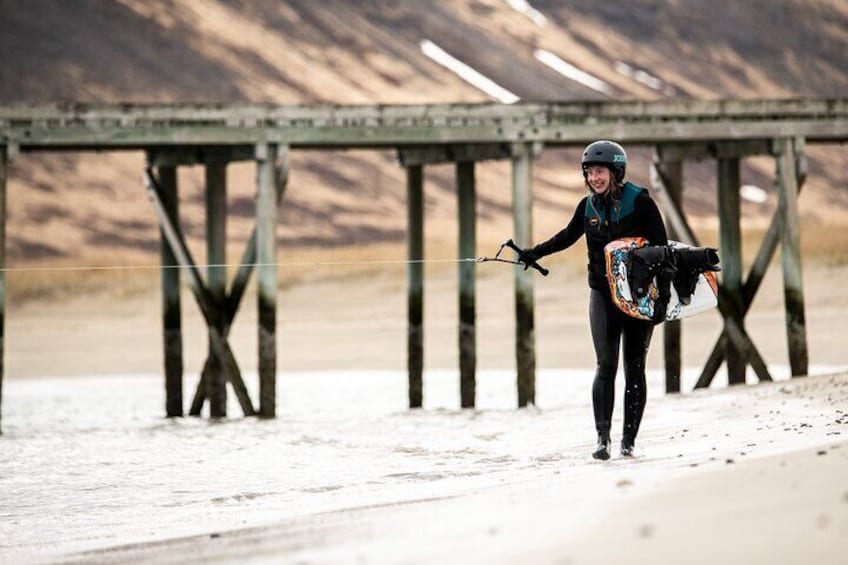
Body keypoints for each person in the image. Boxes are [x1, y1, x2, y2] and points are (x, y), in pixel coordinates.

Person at [518, 140, 668, 460]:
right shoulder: (587, 207)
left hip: (637, 296)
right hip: (603, 295)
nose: (594, 177)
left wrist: (662, 299)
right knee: (605, 365)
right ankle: (603, 439)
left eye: (599, 171)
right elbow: (567, 236)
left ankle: (628, 441)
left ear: (616, 171)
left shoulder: (640, 202)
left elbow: (663, 251)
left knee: (635, 366)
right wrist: (534, 253)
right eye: (589, 172)